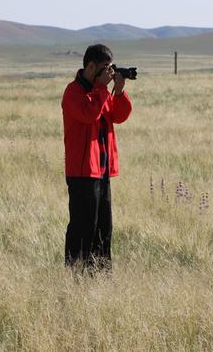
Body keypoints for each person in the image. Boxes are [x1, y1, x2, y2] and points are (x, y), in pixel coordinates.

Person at [61, 44, 133, 274]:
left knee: (104, 229)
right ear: (91, 66)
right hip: (82, 173)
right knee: (83, 228)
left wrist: (119, 92)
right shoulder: (73, 92)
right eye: (105, 68)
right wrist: (103, 89)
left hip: (101, 171)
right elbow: (89, 114)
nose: (109, 74)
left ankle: (101, 277)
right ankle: (75, 274)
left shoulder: (100, 93)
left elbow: (119, 116)